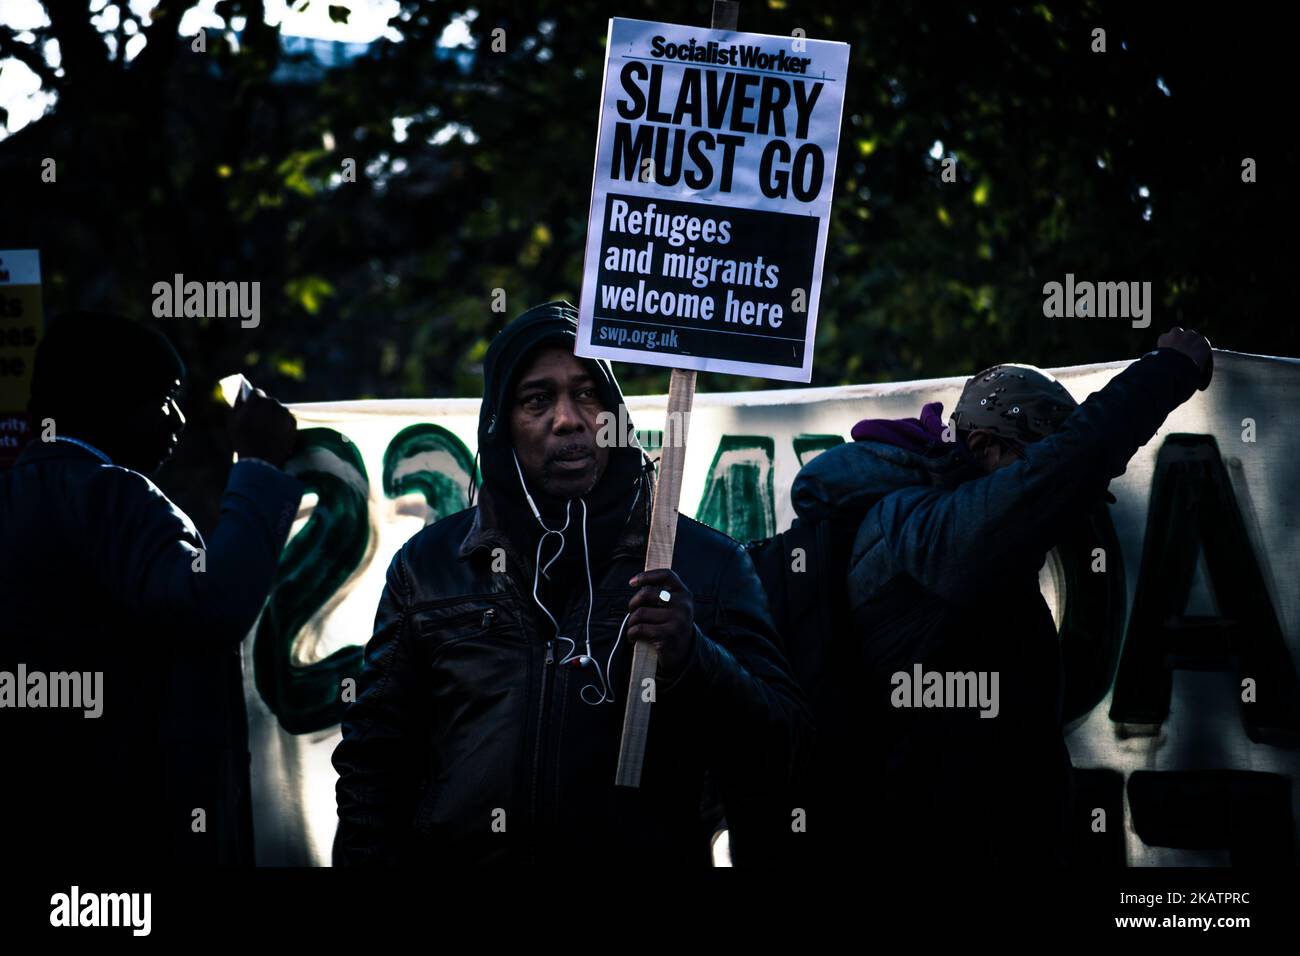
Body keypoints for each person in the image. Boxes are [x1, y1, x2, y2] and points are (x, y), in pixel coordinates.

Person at [332, 301, 811, 866]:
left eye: (588, 395)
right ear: (500, 424)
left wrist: (695, 658)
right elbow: (373, 765)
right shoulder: (429, 568)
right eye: (538, 400)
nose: (569, 419)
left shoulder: (705, 567)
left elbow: (787, 754)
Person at [787, 327, 1212, 865]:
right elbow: (1068, 466)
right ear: (984, 446)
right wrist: (1167, 370)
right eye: (1027, 463)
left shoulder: (954, 538)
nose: (1060, 512)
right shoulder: (927, 531)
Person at [0, 311, 303, 866]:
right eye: (163, 398)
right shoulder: (109, 492)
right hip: (132, 824)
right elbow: (207, 603)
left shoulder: (19, 492)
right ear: (107, 401)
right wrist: (258, 466)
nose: (180, 418)